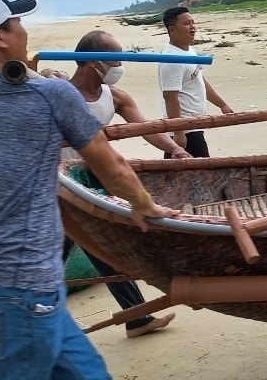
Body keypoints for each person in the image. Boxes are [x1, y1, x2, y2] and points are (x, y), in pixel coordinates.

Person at [0, 0, 178, 380]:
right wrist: (144, 205)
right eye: (16, 24)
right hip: (17, 287)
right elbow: (112, 165)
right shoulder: (49, 94)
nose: (24, 32)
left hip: (16, 285)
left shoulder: (38, 90)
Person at [61, 29, 189, 338]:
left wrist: (173, 148)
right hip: (59, 181)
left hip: (91, 177)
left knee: (96, 245)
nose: (121, 64)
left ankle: (136, 318)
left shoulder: (114, 96)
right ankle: (134, 318)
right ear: (93, 62)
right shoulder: (61, 95)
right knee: (85, 247)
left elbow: (144, 127)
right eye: (115, 57)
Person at [158, 6, 233, 157]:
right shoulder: (172, 60)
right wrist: (179, 132)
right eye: (186, 24)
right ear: (172, 30)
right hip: (185, 129)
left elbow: (200, 81)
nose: (192, 27)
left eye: (193, 22)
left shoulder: (188, 51)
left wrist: (222, 105)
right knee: (198, 173)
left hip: (195, 126)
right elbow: (170, 97)